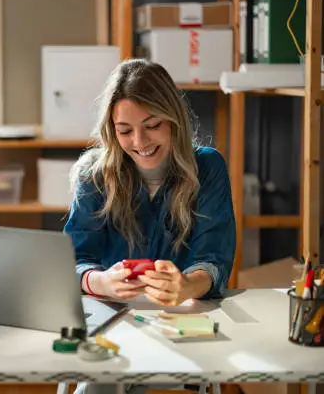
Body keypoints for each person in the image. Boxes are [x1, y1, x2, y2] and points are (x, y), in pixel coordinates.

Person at [63, 59, 236, 394]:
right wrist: (101, 282)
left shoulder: (208, 167)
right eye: (125, 131)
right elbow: (71, 260)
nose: (140, 142)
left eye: (152, 124)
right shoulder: (93, 174)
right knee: (104, 381)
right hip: (110, 325)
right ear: (111, 130)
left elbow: (214, 258)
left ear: (173, 120)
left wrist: (186, 285)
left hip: (180, 326)